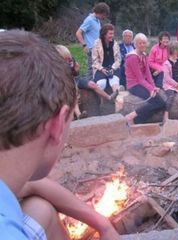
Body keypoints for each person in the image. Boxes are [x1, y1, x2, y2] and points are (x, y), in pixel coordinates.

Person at [0, 30, 120, 239]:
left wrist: (104, 225)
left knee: (40, 208)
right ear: (57, 124)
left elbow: (31, 184)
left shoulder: (9, 176)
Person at [124, 33, 166, 124]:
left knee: (161, 103)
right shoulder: (132, 57)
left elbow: (148, 74)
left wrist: (153, 87)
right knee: (158, 103)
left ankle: (137, 121)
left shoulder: (144, 55)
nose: (142, 45)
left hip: (142, 83)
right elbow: (139, 78)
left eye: (144, 43)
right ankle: (131, 116)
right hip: (134, 85)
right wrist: (151, 89)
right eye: (140, 43)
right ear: (135, 44)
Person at [75, 2, 109, 82]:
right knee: (91, 71)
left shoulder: (97, 20)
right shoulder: (89, 20)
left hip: (98, 49)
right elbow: (78, 33)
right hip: (91, 49)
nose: (104, 17)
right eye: (104, 15)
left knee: (97, 70)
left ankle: (94, 86)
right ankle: (86, 88)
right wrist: (84, 45)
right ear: (100, 12)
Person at [92, 23, 122, 102]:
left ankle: (117, 101)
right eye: (110, 34)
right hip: (100, 68)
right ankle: (100, 103)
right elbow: (94, 60)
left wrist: (113, 68)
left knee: (114, 81)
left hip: (113, 67)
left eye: (113, 33)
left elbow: (118, 59)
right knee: (101, 83)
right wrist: (101, 69)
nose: (112, 35)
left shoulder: (115, 44)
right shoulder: (97, 43)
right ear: (104, 34)